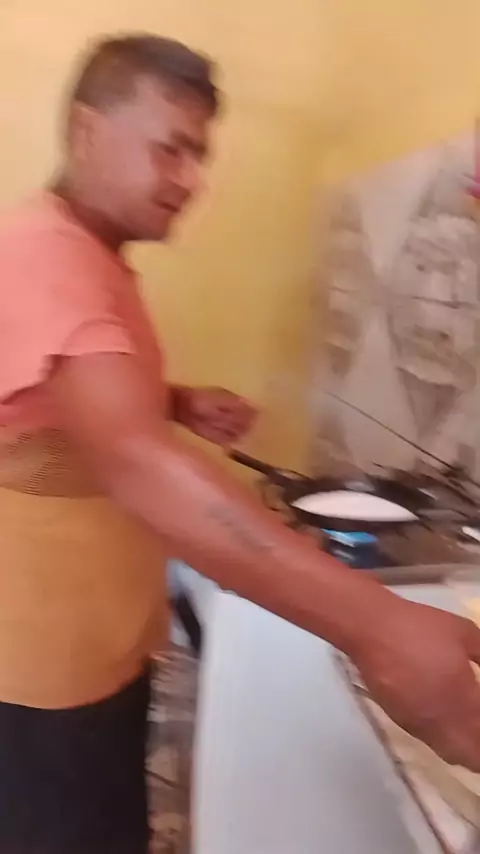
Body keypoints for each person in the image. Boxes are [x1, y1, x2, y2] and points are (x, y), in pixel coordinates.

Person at [0, 33, 480, 854]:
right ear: (87, 131)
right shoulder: (45, 252)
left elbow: (56, 398)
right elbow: (135, 460)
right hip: (38, 656)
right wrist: (377, 626)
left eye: (201, 156)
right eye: (171, 149)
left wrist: (177, 401)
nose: (192, 181)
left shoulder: (88, 253)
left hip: (92, 631)